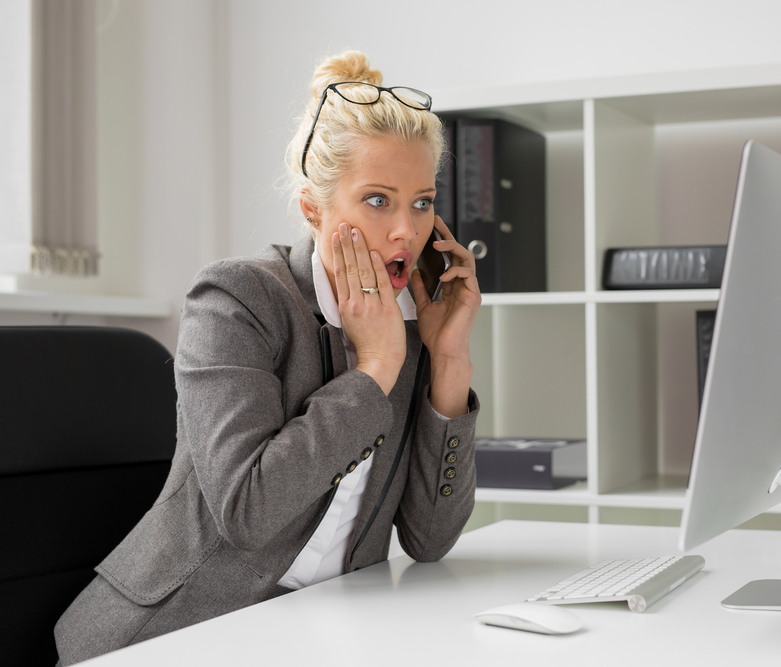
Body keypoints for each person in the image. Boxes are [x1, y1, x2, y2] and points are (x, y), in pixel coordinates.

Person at [54, 51, 481, 665]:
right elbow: (247, 512)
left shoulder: (411, 337)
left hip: (321, 632)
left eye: (421, 202)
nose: (405, 233)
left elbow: (431, 539)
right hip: (175, 634)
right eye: (378, 200)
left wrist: (449, 360)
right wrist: (374, 368)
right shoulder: (236, 300)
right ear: (314, 209)